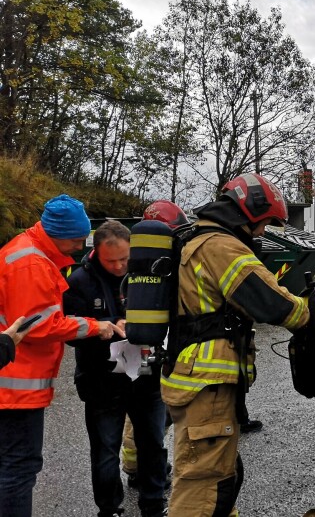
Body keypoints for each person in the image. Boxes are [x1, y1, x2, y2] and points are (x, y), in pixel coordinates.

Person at [161, 173, 315, 516]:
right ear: (247, 212)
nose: (263, 232)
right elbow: (271, 303)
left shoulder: (200, 238)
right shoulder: (220, 246)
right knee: (204, 485)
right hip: (206, 385)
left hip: (198, 381)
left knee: (220, 478)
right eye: (263, 224)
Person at [0, 194, 123, 517]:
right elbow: (39, 326)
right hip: (14, 388)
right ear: (62, 235)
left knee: (13, 465)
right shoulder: (33, 264)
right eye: (78, 239)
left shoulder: (27, 252)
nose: (82, 247)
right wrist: (97, 327)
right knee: (18, 467)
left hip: (15, 384)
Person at [63, 220, 167, 517]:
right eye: (113, 260)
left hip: (145, 376)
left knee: (153, 445)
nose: (121, 266)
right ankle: (109, 509)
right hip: (101, 381)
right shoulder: (79, 282)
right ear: (96, 253)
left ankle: (153, 503)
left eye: (126, 259)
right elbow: (68, 333)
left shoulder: (146, 275)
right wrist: (101, 327)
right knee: (105, 451)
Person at [120, 199, 188, 487]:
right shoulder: (168, 265)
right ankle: (148, 466)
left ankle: (133, 464)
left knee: (138, 410)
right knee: (158, 410)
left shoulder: (132, 261)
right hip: (161, 346)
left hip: (133, 345)